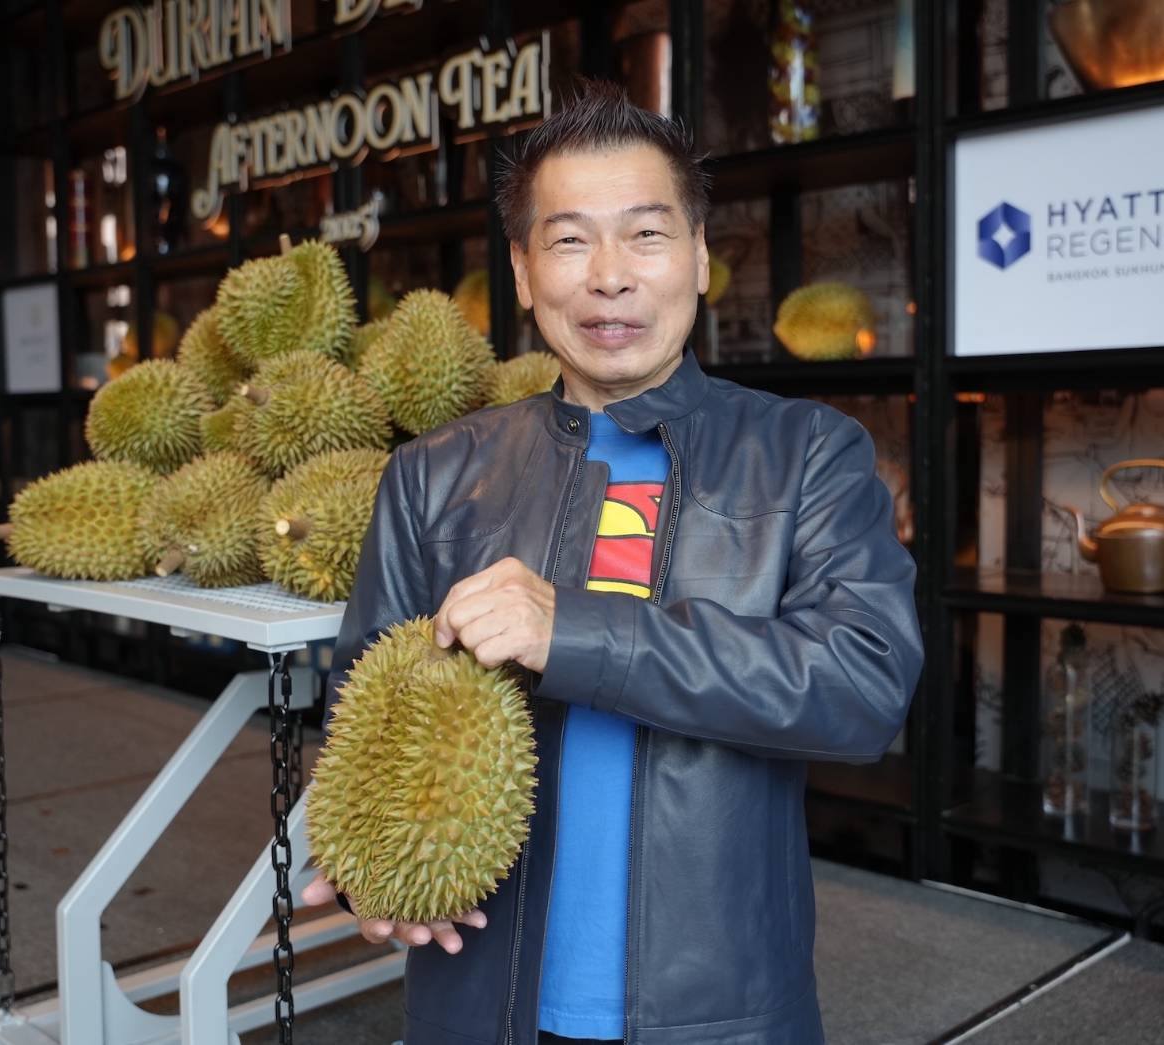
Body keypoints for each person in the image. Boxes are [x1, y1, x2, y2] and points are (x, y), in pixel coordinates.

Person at [301, 78, 923, 1045]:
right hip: (480, 1006)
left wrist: (574, 631)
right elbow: (364, 715)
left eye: (645, 234)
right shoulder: (432, 475)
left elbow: (864, 686)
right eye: (567, 240)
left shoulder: (807, 454)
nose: (609, 276)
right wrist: (363, 871)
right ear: (521, 271)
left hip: (716, 1014)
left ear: (699, 255)